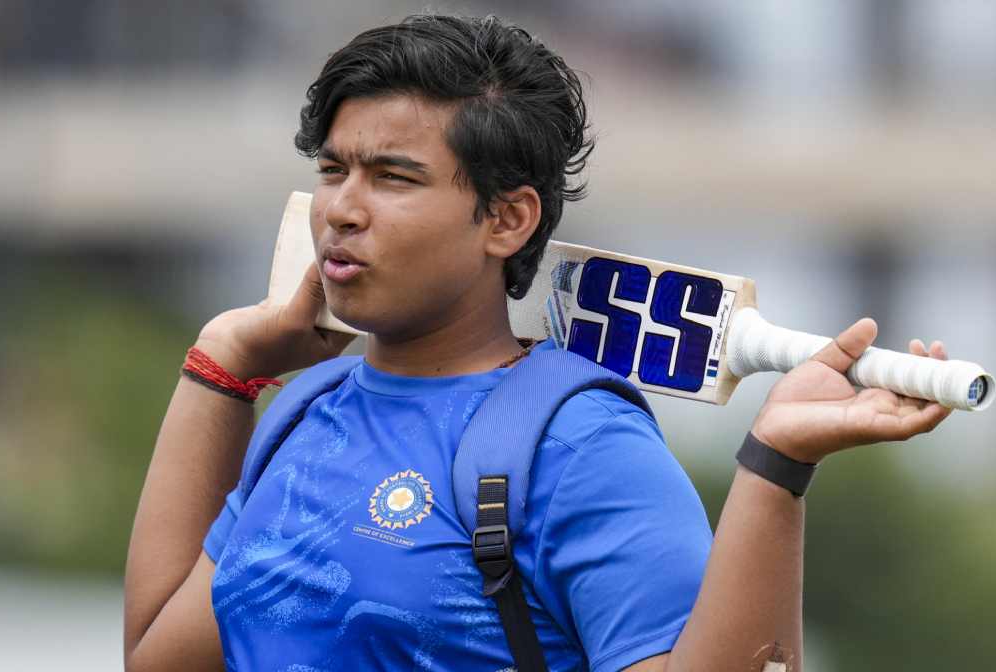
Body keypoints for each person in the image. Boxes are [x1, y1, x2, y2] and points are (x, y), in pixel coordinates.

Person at [123, 14, 952, 672]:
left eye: (394, 177)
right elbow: (158, 657)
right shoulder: (306, 410)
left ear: (507, 218)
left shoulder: (578, 443)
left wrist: (775, 464)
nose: (341, 206)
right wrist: (223, 364)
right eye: (335, 170)